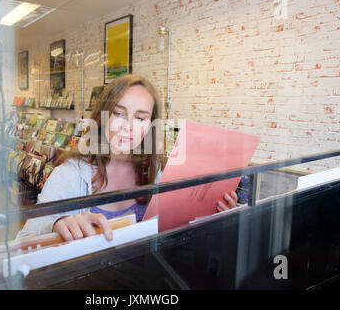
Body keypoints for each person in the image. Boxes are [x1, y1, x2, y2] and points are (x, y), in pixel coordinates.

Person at [16, 74, 238, 241]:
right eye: (119, 113)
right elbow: (24, 240)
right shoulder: (70, 174)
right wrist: (57, 225)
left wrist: (215, 214)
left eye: (140, 118)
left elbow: (178, 232)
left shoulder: (158, 173)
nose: (128, 127)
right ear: (103, 117)